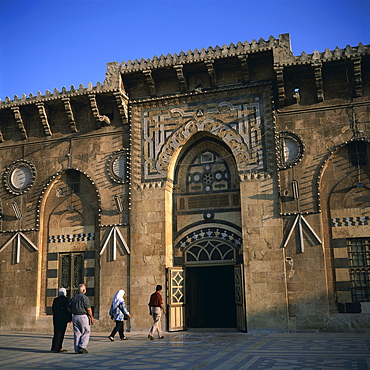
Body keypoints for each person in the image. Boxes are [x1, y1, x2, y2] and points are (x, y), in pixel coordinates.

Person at [69, 283, 94, 354]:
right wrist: (91, 317)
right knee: (86, 331)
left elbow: (68, 307)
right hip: (83, 316)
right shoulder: (84, 298)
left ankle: (76, 349)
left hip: (75, 316)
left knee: (77, 333)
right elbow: (88, 308)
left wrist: (73, 311)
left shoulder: (74, 298)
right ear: (83, 290)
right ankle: (82, 346)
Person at [51, 288, 72, 353]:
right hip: (63, 319)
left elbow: (53, 309)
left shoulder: (56, 300)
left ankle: (54, 347)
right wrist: (70, 318)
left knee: (56, 333)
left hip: (56, 319)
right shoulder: (66, 300)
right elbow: (68, 309)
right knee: (61, 333)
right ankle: (58, 347)